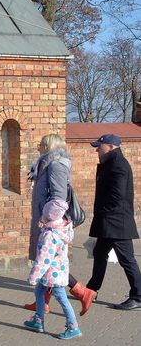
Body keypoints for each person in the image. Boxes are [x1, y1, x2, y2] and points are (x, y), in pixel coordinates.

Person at [24, 134, 95, 315]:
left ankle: (83, 292)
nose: (38, 147)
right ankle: (43, 303)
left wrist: (46, 218)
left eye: (40, 144)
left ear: (48, 147)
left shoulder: (56, 165)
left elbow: (59, 199)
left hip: (51, 223)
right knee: (46, 261)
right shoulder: (45, 164)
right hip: (45, 219)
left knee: (49, 261)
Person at [84, 134, 141, 310]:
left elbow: (117, 196)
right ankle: (91, 289)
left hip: (117, 222)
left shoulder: (118, 165)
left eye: (99, 146)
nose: (96, 149)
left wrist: (103, 212)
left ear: (110, 146)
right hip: (109, 222)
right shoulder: (111, 163)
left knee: (127, 260)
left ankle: (138, 297)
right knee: (100, 253)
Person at [24, 199, 82, 339]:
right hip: (56, 271)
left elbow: (44, 259)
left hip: (52, 274)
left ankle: (73, 326)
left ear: (50, 215)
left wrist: (34, 276)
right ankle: (38, 321)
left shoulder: (50, 235)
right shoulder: (60, 228)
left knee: (61, 298)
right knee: (39, 292)